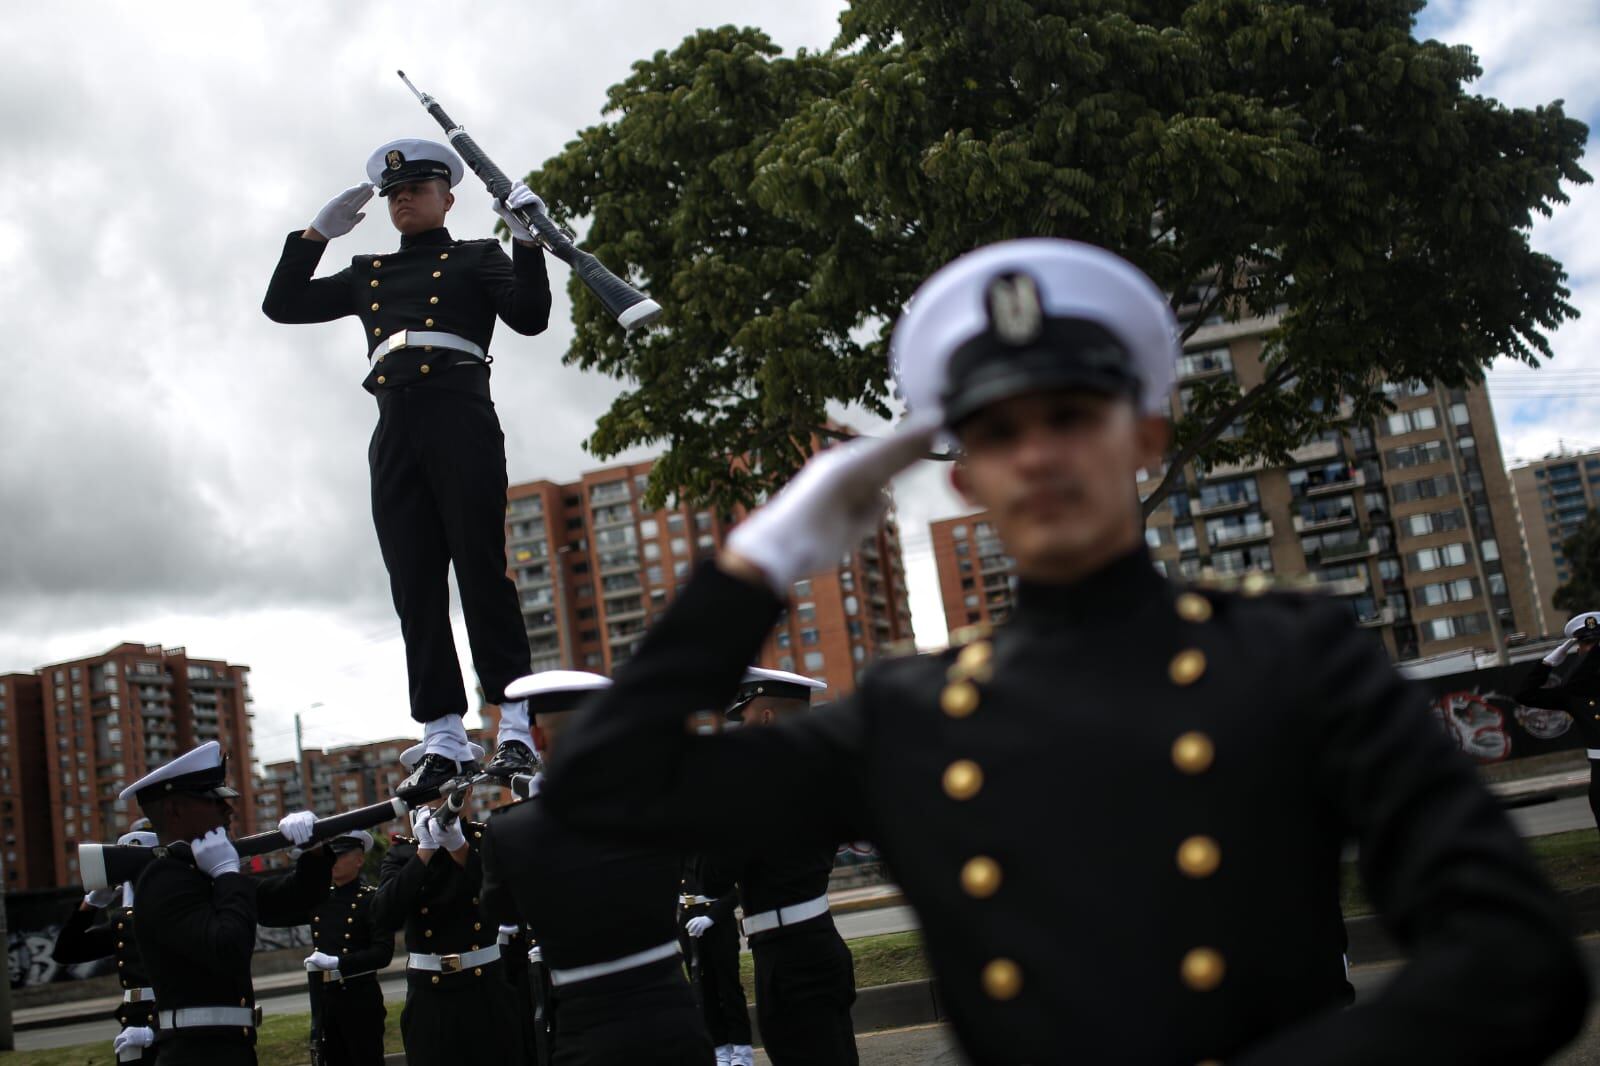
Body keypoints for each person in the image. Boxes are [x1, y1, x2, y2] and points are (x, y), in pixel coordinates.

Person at [542, 239, 1590, 1064]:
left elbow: (1513, 958)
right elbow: (599, 785)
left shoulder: (1292, 655)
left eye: (1070, 414)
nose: (1037, 453)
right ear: (961, 478)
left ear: (1143, 436)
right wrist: (756, 562)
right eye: (997, 431)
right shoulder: (910, 715)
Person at [262, 138, 554, 797]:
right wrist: (315, 236)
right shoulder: (368, 272)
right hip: (394, 423)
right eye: (394, 193)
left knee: (481, 572)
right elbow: (283, 304)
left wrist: (527, 245)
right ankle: (443, 736)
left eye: (416, 190)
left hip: (459, 413)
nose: (402, 199)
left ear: (447, 198)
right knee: (414, 584)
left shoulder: (478, 257)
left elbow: (530, 319)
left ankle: (512, 728)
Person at [480, 672, 712, 1066]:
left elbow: (498, 913)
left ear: (537, 739)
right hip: (675, 1018)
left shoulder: (509, 830)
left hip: (587, 1027)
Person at [126, 742, 331, 1065]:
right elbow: (229, 947)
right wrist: (226, 872)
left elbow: (297, 901)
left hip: (227, 1049)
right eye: (212, 800)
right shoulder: (163, 880)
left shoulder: (200, 876)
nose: (228, 810)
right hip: (194, 1055)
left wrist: (314, 851)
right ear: (175, 810)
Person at [719, 669, 855, 1066]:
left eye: (743, 719)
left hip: (787, 957)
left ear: (765, 719)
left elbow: (714, 875)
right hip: (820, 940)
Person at [372, 742, 527, 1066]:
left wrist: (458, 849)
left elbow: (506, 901)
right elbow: (383, 916)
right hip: (430, 996)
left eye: (446, 793)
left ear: (466, 794)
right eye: (430, 794)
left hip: (485, 987)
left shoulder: (486, 840)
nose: (439, 803)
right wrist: (424, 853)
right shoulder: (403, 854)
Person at [52, 821, 160, 1064]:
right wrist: (90, 904)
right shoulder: (124, 923)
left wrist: (157, 1029)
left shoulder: (178, 911)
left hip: (169, 1026)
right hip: (133, 1025)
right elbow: (66, 951)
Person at [294, 831, 394, 1066]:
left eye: (339, 856)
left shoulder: (371, 899)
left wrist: (340, 963)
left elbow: (383, 953)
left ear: (359, 860)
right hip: (327, 1002)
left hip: (360, 1002)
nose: (333, 862)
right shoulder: (320, 900)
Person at [1515, 611, 1600, 834]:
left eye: (1597, 643)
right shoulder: (1573, 694)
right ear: (1579, 648)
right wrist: (1548, 662)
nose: (1593, 650)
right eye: (1588, 643)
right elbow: (1525, 694)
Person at [678, 852, 751, 1066]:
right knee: (703, 991)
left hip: (717, 924)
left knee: (728, 989)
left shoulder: (714, 848)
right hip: (688, 923)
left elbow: (736, 890)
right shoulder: (677, 853)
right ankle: (720, 1051)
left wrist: (711, 917)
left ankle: (741, 1052)